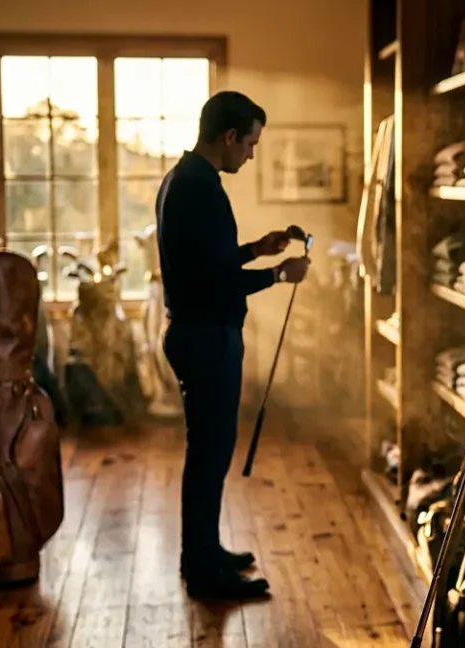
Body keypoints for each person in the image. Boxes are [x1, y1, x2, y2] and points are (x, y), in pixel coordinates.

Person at [155, 90, 311, 600]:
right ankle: (202, 569)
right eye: (250, 143)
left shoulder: (185, 180)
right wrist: (278, 274)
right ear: (228, 137)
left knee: (210, 453)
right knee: (209, 455)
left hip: (199, 333)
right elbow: (213, 284)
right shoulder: (200, 190)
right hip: (206, 337)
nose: (251, 153)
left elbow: (210, 264)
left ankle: (203, 551)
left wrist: (253, 250)